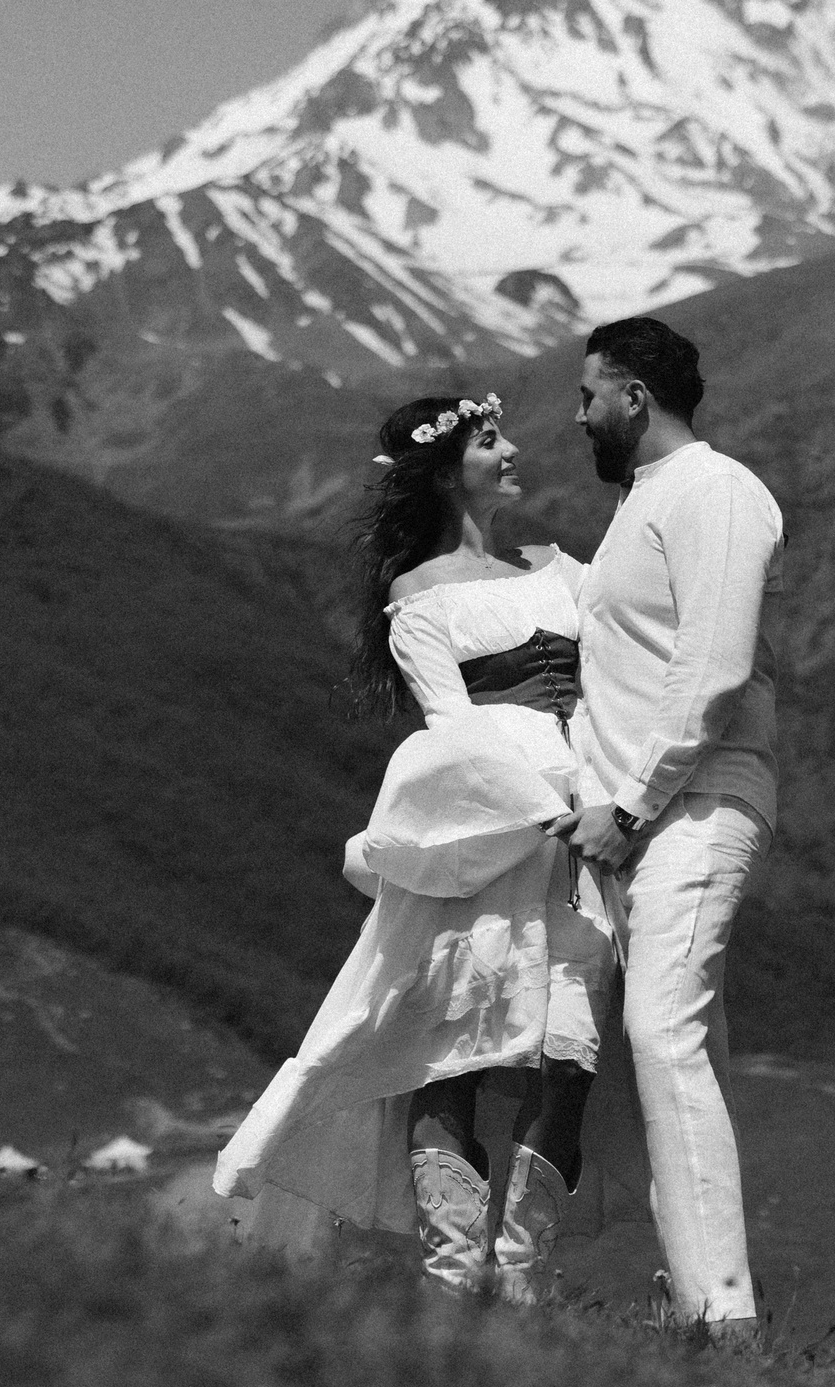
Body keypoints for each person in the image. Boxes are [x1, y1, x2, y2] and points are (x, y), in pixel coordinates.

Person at [213, 392, 638, 1301]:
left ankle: (518, 1280)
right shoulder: (419, 596)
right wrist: (537, 802)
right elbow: (451, 726)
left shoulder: (562, 568)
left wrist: (614, 794)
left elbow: (615, 678)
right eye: (490, 440)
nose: (512, 449)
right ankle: (454, 1277)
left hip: (581, 823)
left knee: (569, 1050)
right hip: (487, 829)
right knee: (454, 1051)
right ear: (447, 474)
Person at [550, 316, 783, 1335]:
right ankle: (700, 1303)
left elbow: (714, 663)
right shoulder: (646, 501)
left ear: (635, 396)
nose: (578, 415)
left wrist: (632, 802)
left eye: (588, 394)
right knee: (677, 1050)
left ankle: (720, 1313)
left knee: (661, 1032)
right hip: (645, 818)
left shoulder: (716, 491)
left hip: (694, 803)